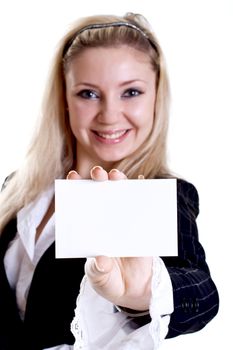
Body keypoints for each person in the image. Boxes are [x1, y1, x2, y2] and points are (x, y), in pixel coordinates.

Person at [0, 12, 219, 350]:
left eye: (131, 92)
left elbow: (203, 294)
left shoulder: (160, 195)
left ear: (156, 97)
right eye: (88, 94)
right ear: (64, 99)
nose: (110, 115)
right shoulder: (17, 188)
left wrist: (141, 292)